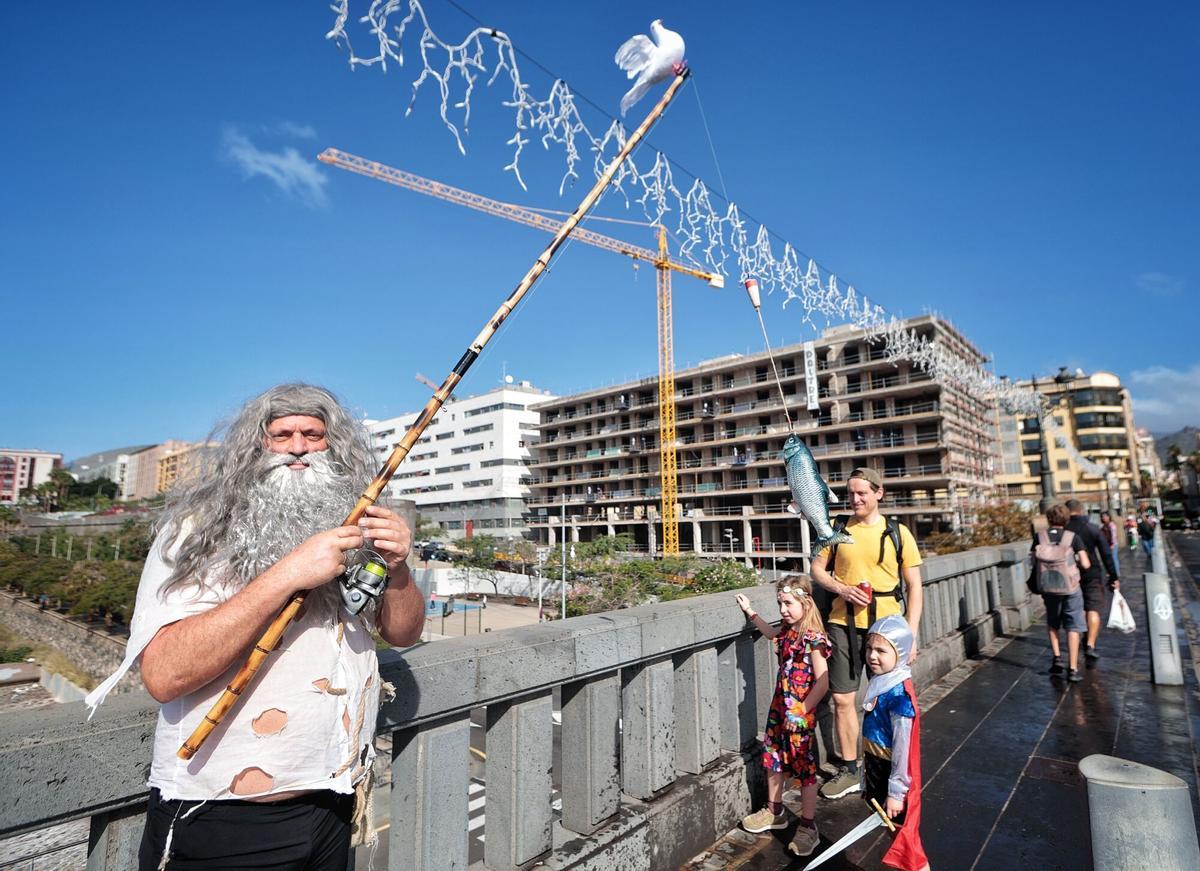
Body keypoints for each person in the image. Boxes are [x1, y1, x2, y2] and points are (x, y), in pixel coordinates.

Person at [84, 384, 426, 870]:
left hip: (335, 797)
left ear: (335, 445)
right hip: (221, 810)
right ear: (254, 445)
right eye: (281, 434)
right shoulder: (196, 530)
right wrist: (289, 573)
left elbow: (404, 634)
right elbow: (164, 674)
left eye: (314, 434)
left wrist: (399, 568)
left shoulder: (356, 526)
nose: (298, 446)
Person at [810, 467, 923, 801]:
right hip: (842, 624)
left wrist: (911, 634)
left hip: (885, 632)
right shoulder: (838, 529)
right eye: (850, 493)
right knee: (843, 699)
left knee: (887, 703)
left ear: (879, 493)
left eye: (861, 493)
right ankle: (849, 770)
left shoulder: (898, 533)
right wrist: (841, 589)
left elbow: (914, 586)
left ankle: (889, 769)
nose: (855, 499)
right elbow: (817, 568)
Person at [735, 576, 831, 858]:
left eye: (788, 603)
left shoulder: (813, 638)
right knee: (773, 758)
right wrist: (751, 612)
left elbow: (822, 682)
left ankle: (808, 827)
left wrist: (802, 710)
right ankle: (775, 810)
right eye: (780, 603)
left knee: (804, 768)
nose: (783, 610)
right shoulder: (788, 632)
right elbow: (770, 633)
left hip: (799, 713)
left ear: (805, 602)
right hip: (779, 708)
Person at [862, 616, 930, 871]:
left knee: (906, 841)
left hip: (891, 772)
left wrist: (896, 792)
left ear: (899, 652)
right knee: (894, 832)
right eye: (870, 648)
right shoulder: (883, 682)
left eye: (881, 650)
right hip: (877, 767)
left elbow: (903, 749)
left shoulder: (899, 695)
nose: (872, 656)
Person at [1032, 503, 1090, 682]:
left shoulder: (1039, 537)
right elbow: (1086, 564)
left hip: (1048, 587)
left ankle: (1057, 658)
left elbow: (1033, 562)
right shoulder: (1073, 537)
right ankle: (1072, 669)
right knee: (1072, 626)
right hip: (1070, 587)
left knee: (1053, 622)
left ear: (1049, 519)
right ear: (1066, 519)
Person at [1065, 500, 1119, 660]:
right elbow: (1106, 554)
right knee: (1093, 608)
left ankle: (1079, 638)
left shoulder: (1065, 530)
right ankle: (1090, 644)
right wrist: (1113, 576)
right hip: (1092, 573)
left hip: (1070, 573)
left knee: (1077, 608)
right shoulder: (1093, 528)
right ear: (1081, 510)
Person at [1098, 511, 1120, 577]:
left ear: (1109, 517)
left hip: (1113, 544)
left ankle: (1117, 573)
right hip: (1106, 544)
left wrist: (1112, 544)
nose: (1104, 518)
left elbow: (1114, 535)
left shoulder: (1111, 524)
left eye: (1105, 516)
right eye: (1102, 517)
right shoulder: (1102, 525)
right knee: (1107, 559)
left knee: (1114, 558)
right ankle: (1110, 572)